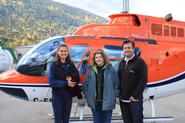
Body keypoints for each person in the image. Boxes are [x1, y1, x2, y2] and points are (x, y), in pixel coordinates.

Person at [83, 49, 119, 123]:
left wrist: (113, 96)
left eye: (100, 57)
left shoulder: (111, 70)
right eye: (96, 57)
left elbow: (116, 84)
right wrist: (88, 95)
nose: (98, 59)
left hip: (107, 103)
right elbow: (86, 84)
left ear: (104, 58)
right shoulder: (91, 70)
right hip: (95, 103)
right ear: (94, 59)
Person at [48, 44, 82, 123]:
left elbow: (78, 78)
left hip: (68, 96)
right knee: (58, 119)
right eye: (61, 51)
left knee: (66, 118)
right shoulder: (53, 66)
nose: (64, 53)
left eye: (65, 51)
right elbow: (51, 82)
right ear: (58, 52)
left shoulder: (71, 64)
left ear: (68, 52)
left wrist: (72, 78)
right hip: (57, 96)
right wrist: (66, 83)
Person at [118, 40, 148, 123]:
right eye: (125, 48)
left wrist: (136, 96)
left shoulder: (140, 62)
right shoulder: (121, 63)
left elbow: (143, 80)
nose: (127, 50)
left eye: (129, 48)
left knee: (137, 120)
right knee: (127, 121)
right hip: (123, 100)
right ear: (123, 50)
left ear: (133, 49)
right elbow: (119, 80)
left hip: (135, 100)